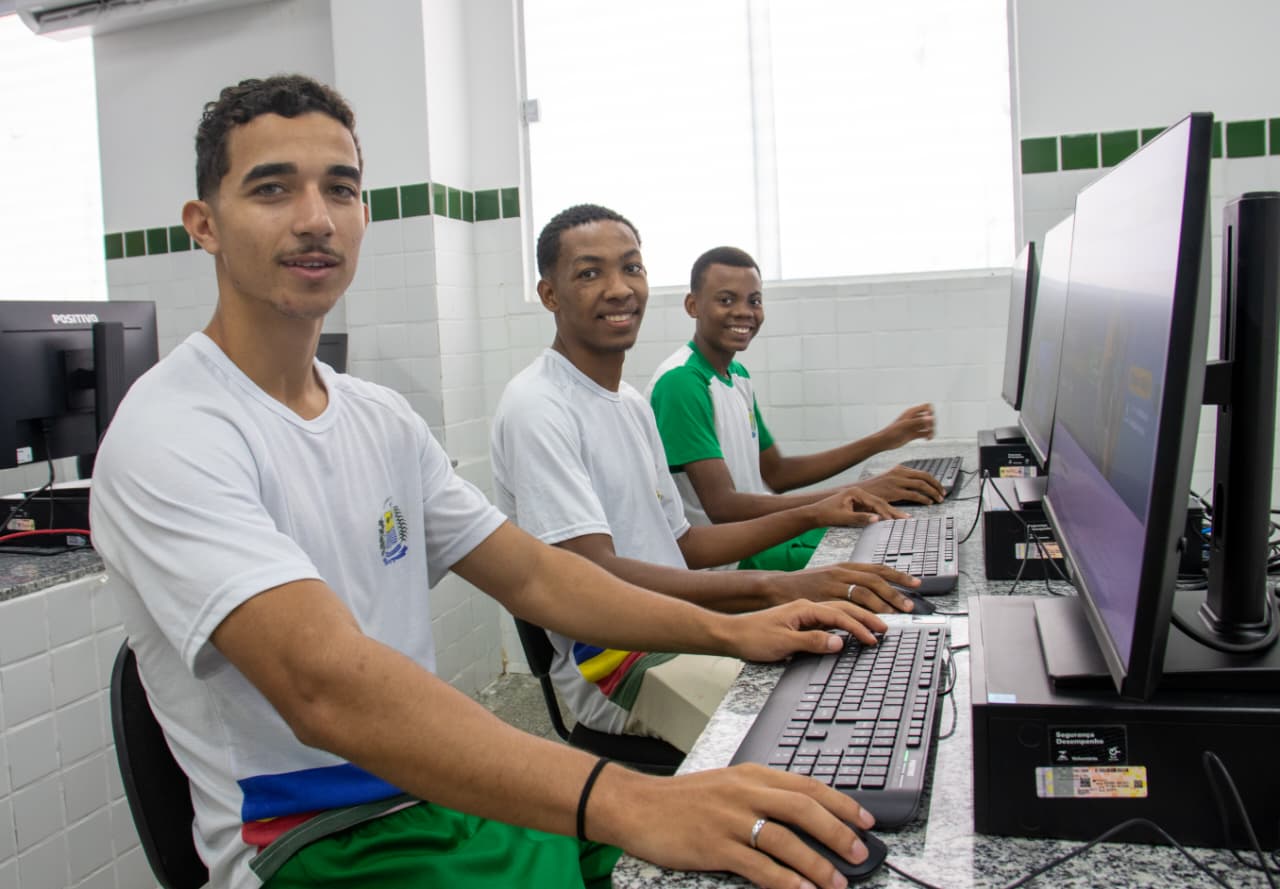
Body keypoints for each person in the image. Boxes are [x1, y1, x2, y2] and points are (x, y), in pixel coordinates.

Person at [89, 74, 887, 889]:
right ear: (204, 224)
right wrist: (634, 799)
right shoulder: (173, 431)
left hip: (437, 790)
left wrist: (734, 629)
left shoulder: (379, 417)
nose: (315, 218)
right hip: (316, 836)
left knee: (776, 850)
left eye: (340, 188)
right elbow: (322, 687)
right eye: (271, 188)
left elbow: (538, 575)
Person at [491, 205, 924, 755]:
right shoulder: (538, 406)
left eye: (632, 268)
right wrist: (773, 587)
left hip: (682, 620)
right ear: (549, 294)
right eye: (590, 272)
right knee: (814, 735)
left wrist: (813, 522)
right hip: (617, 658)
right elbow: (591, 574)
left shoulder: (630, 403)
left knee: (863, 665)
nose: (619, 288)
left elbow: (686, 544)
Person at [647, 246, 946, 572]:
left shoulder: (737, 376)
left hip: (764, 538)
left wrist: (884, 440)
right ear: (693, 305)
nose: (744, 312)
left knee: (899, 534)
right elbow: (724, 507)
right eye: (726, 300)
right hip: (728, 563)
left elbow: (777, 473)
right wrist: (858, 491)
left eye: (754, 301)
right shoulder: (681, 382)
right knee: (888, 564)